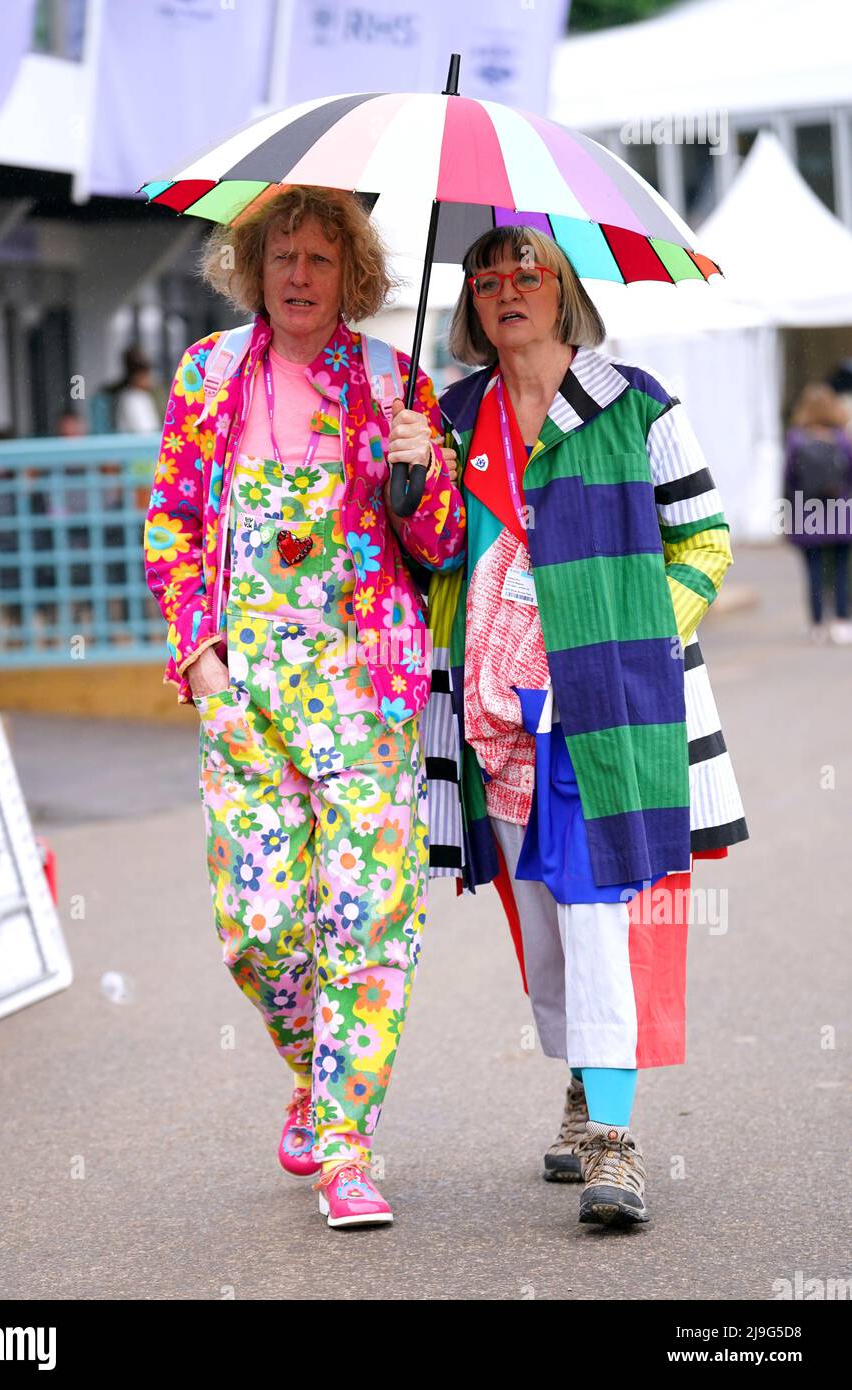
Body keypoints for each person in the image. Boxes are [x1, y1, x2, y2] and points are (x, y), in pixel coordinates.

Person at [143, 186, 465, 1229]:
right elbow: (173, 526)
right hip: (247, 698)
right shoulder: (206, 377)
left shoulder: (394, 384)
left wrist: (421, 477)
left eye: (320, 258)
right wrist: (202, 666)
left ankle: (344, 1143)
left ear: (353, 276)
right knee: (259, 926)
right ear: (250, 263)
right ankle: (315, 1062)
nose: (296, 273)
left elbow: (438, 547)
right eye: (280, 252)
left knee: (366, 920)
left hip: (366, 689)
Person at [422, 225, 748, 1228]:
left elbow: (702, 540)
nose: (506, 290)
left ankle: (613, 1138)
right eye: (486, 279)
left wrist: (636, 646)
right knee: (548, 933)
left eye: (528, 274)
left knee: (602, 913)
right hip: (491, 718)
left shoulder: (632, 401)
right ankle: (581, 1083)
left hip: (603, 712)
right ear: (470, 302)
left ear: (564, 291)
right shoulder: (451, 412)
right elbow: (424, 551)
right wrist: (410, 477)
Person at [783, 383, 852, 644]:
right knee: (841, 569)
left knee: (813, 570)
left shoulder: (796, 439)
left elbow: (789, 478)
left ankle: (817, 624)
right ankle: (842, 621)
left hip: (807, 512)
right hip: (841, 511)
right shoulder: (843, 439)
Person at [110, 347, 162, 433]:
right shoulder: (131, 398)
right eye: (146, 375)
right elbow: (146, 432)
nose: (151, 379)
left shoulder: (143, 396)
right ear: (136, 376)